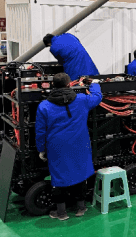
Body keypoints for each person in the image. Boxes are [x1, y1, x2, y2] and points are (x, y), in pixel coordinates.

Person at [36, 72, 103, 221]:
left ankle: (61, 212)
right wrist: (95, 84)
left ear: (53, 85)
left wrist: (41, 149)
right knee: (81, 174)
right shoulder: (81, 100)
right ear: (68, 85)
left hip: (57, 147)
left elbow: (40, 131)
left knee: (58, 178)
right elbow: (97, 97)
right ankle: (81, 208)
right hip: (80, 144)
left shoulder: (44, 106)